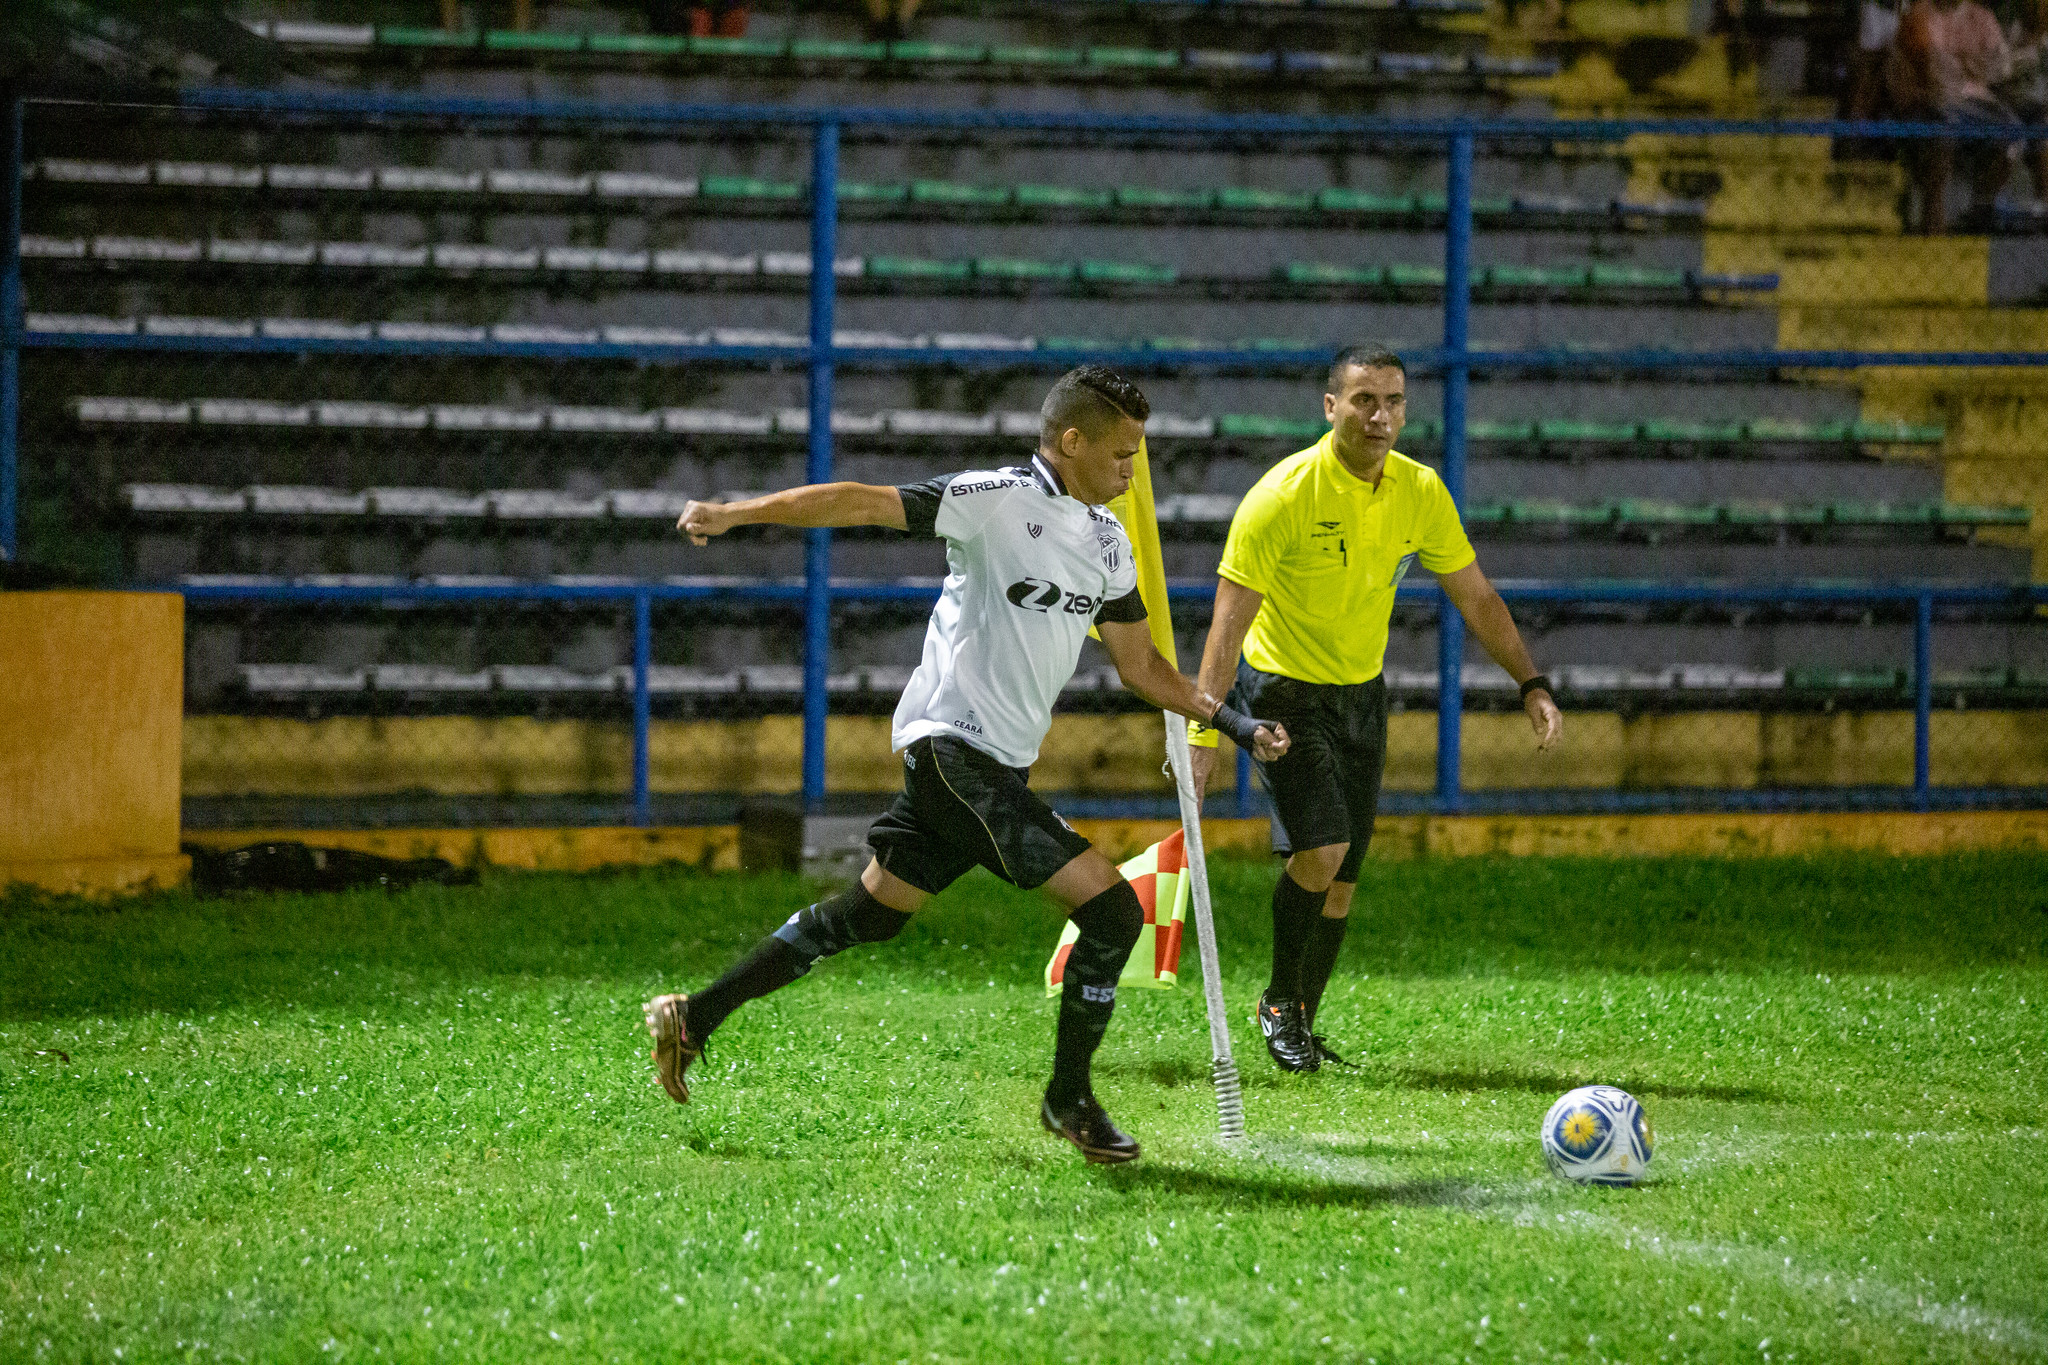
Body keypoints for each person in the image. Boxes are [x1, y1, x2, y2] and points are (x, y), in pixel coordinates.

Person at [643, 366, 1290, 1164]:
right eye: (1120, 453)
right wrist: (732, 515)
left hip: (997, 767)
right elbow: (860, 500)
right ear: (1072, 440)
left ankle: (692, 1016)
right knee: (1117, 911)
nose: (1131, 469)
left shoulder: (1107, 539)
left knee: (873, 913)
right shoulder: (995, 497)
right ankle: (1069, 1098)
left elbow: (1141, 665)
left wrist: (1230, 721)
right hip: (951, 748)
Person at [1186, 345, 1563, 1073]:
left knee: (1344, 881)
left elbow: (1477, 597)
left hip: (1362, 693)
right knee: (1321, 852)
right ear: (1331, 407)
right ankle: (1278, 1003)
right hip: (1282, 692)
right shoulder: (1283, 495)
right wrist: (1204, 728)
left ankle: (1299, 1022)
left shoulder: (1420, 491)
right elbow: (1227, 625)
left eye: (1392, 401)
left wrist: (1531, 683)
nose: (1379, 415)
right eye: (1363, 399)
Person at [1886, 0, 2020, 230]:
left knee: (2014, 132)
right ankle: (1933, 219)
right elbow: (1935, 72)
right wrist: (1973, 63)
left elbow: (2000, 68)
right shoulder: (1921, 16)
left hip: (1976, 103)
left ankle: (1980, 208)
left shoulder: (1982, 18)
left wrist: (1959, 64)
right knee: (1944, 125)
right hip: (1926, 102)